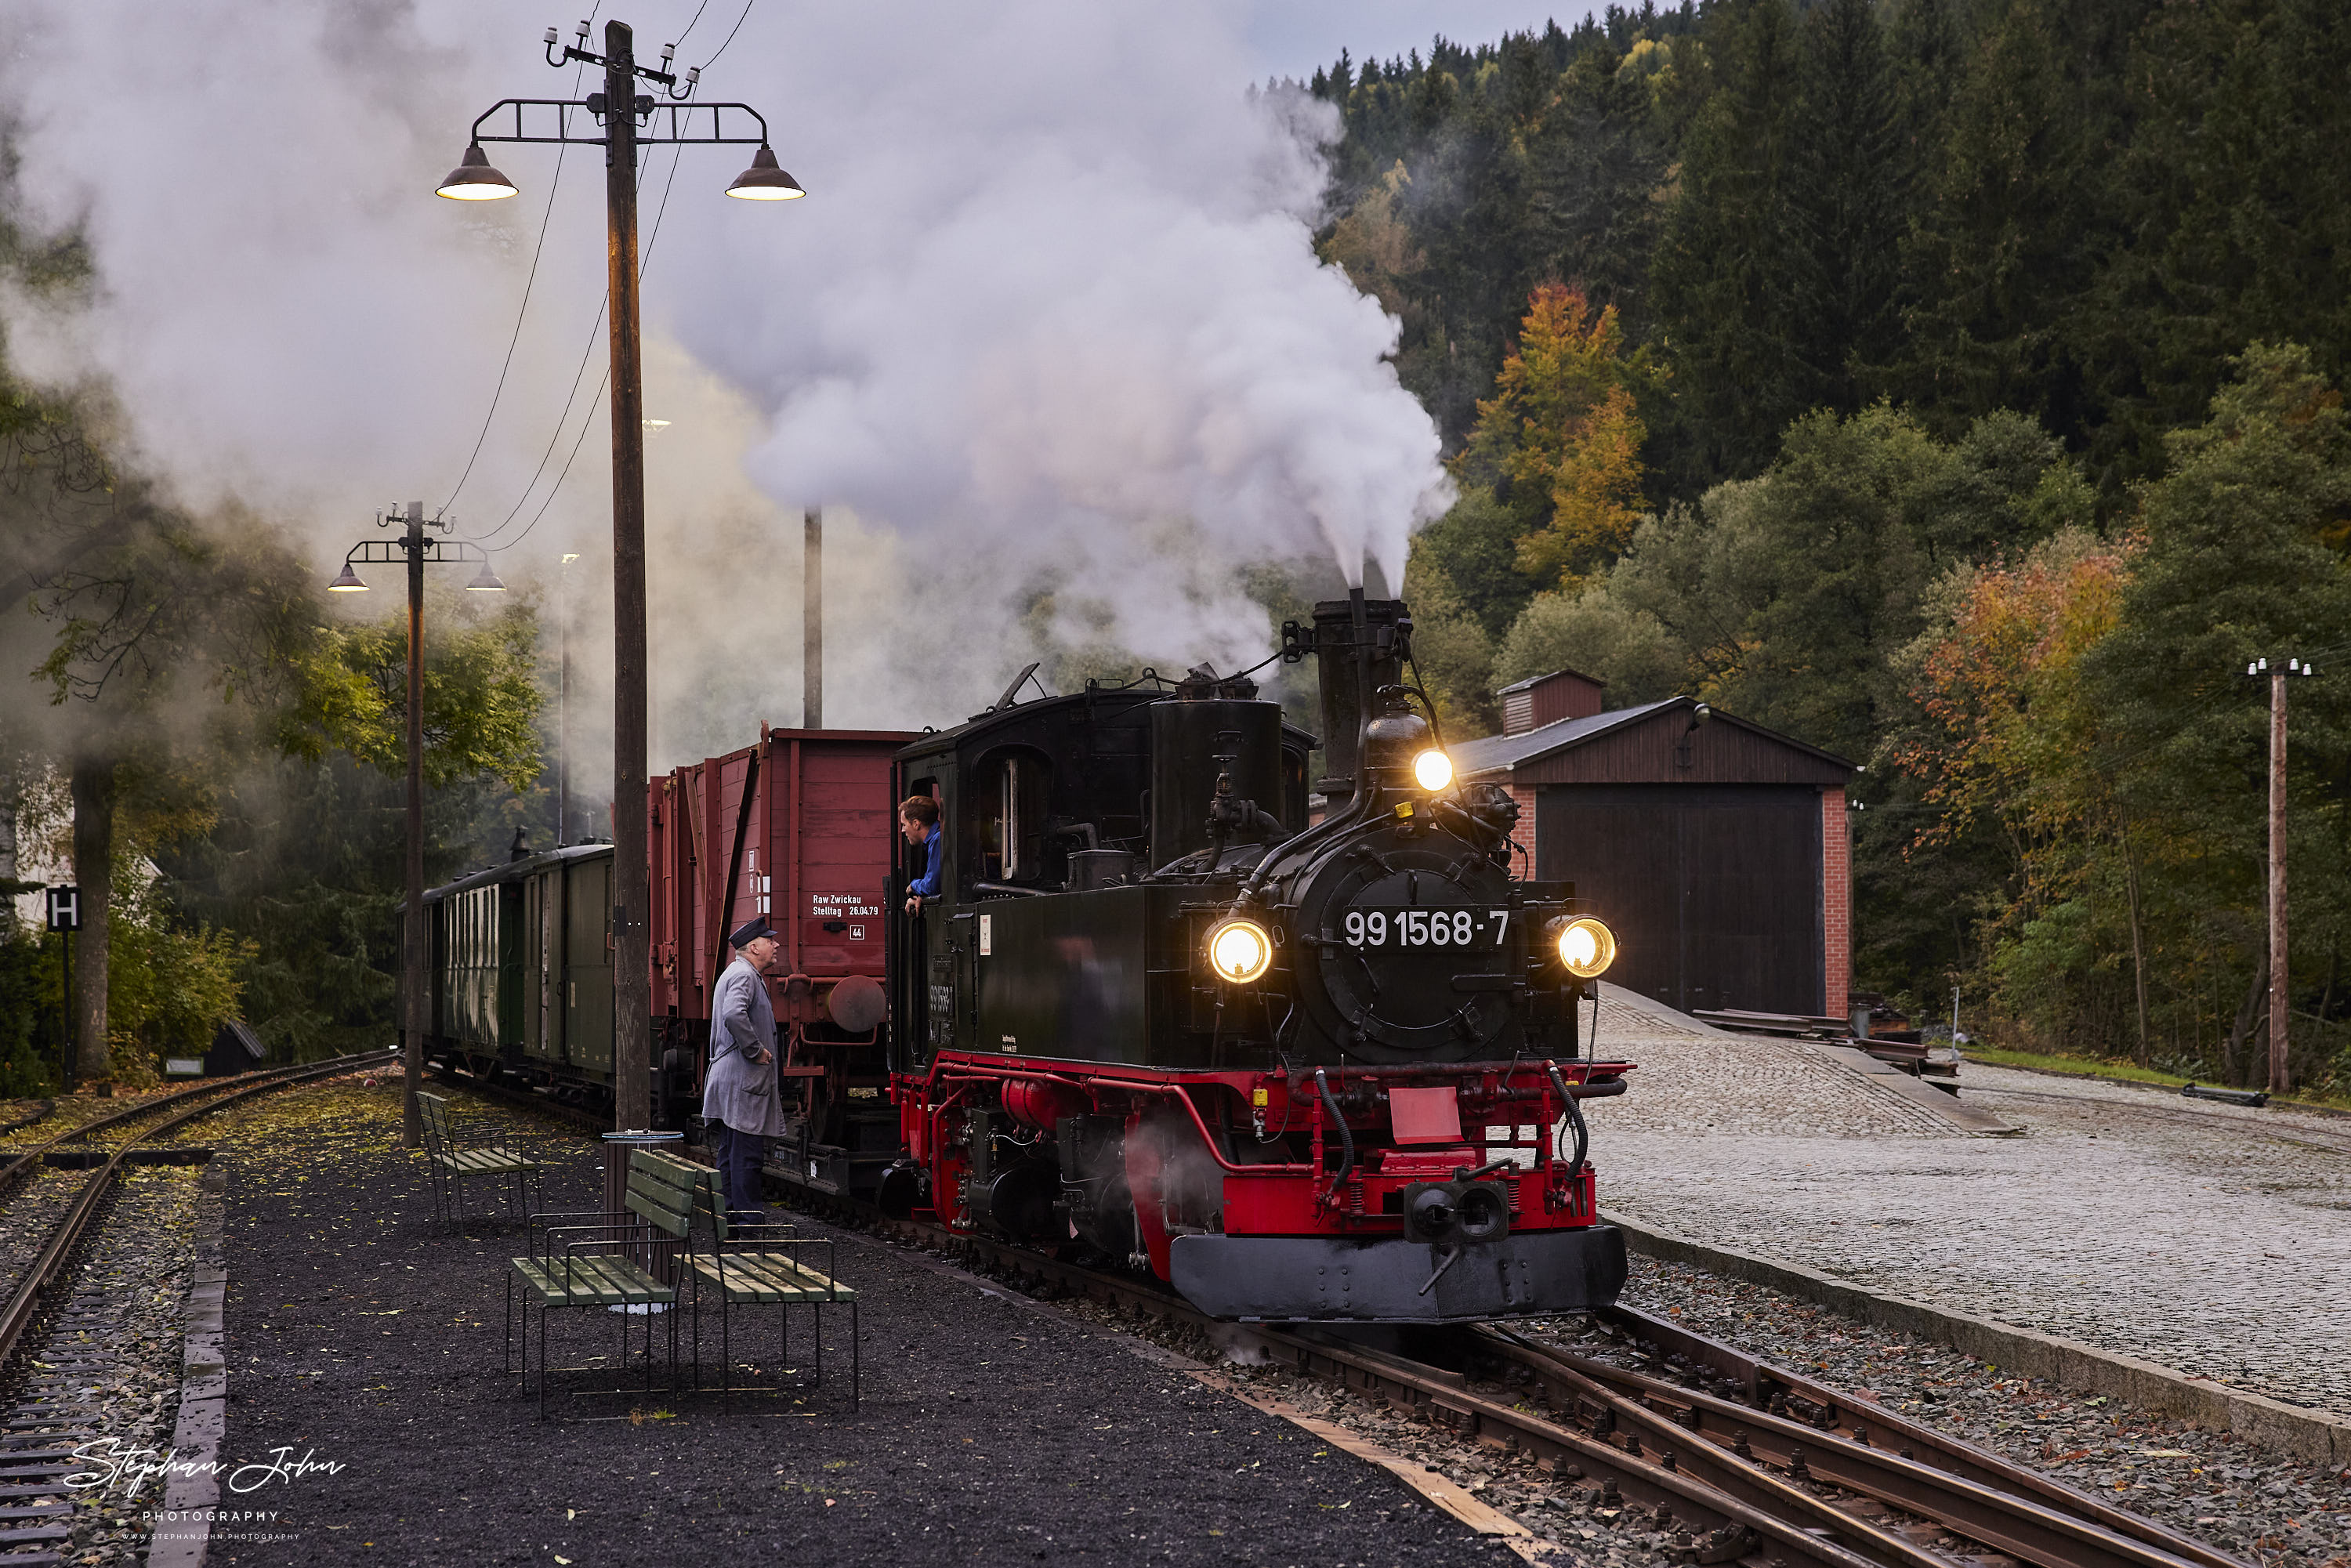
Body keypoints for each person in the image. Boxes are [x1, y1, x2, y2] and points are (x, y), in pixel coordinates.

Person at [703, 916, 786, 1222]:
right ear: (753, 947)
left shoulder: (734, 972)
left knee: (731, 1155)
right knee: (746, 1158)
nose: (775, 944)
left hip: (732, 1081)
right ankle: (749, 1229)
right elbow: (734, 1014)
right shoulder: (745, 976)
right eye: (769, 940)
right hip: (743, 1082)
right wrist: (755, 1050)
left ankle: (734, 1226)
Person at [900, 795, 943, 914]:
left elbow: (932, 886)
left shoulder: (937, 840)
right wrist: (923, 898)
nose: (902, 830)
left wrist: (913, 886)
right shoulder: (935, 839)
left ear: (916, 824)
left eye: (904, 825)